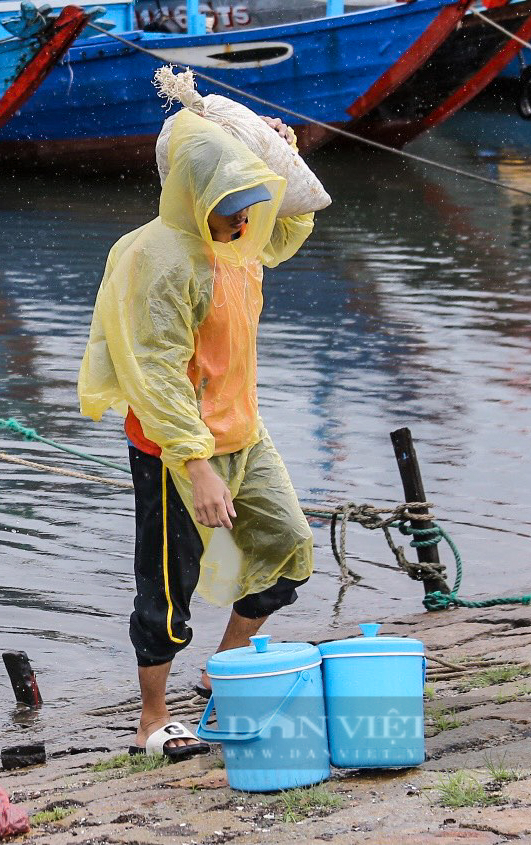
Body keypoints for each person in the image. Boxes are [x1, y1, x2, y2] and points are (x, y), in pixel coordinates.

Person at [78, 111, 317, 758]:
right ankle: (151, 720)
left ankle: (224, 665)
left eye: (248, 208)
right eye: (228, 209)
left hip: (243, 430)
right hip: (171, 449)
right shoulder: (155, 255)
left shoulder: (243, 243)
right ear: (192, 197)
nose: (242, 221)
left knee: (288, 549)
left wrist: (276, 151)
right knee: (164, 587)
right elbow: (153, 371)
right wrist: (196, 461)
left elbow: (293, 216)